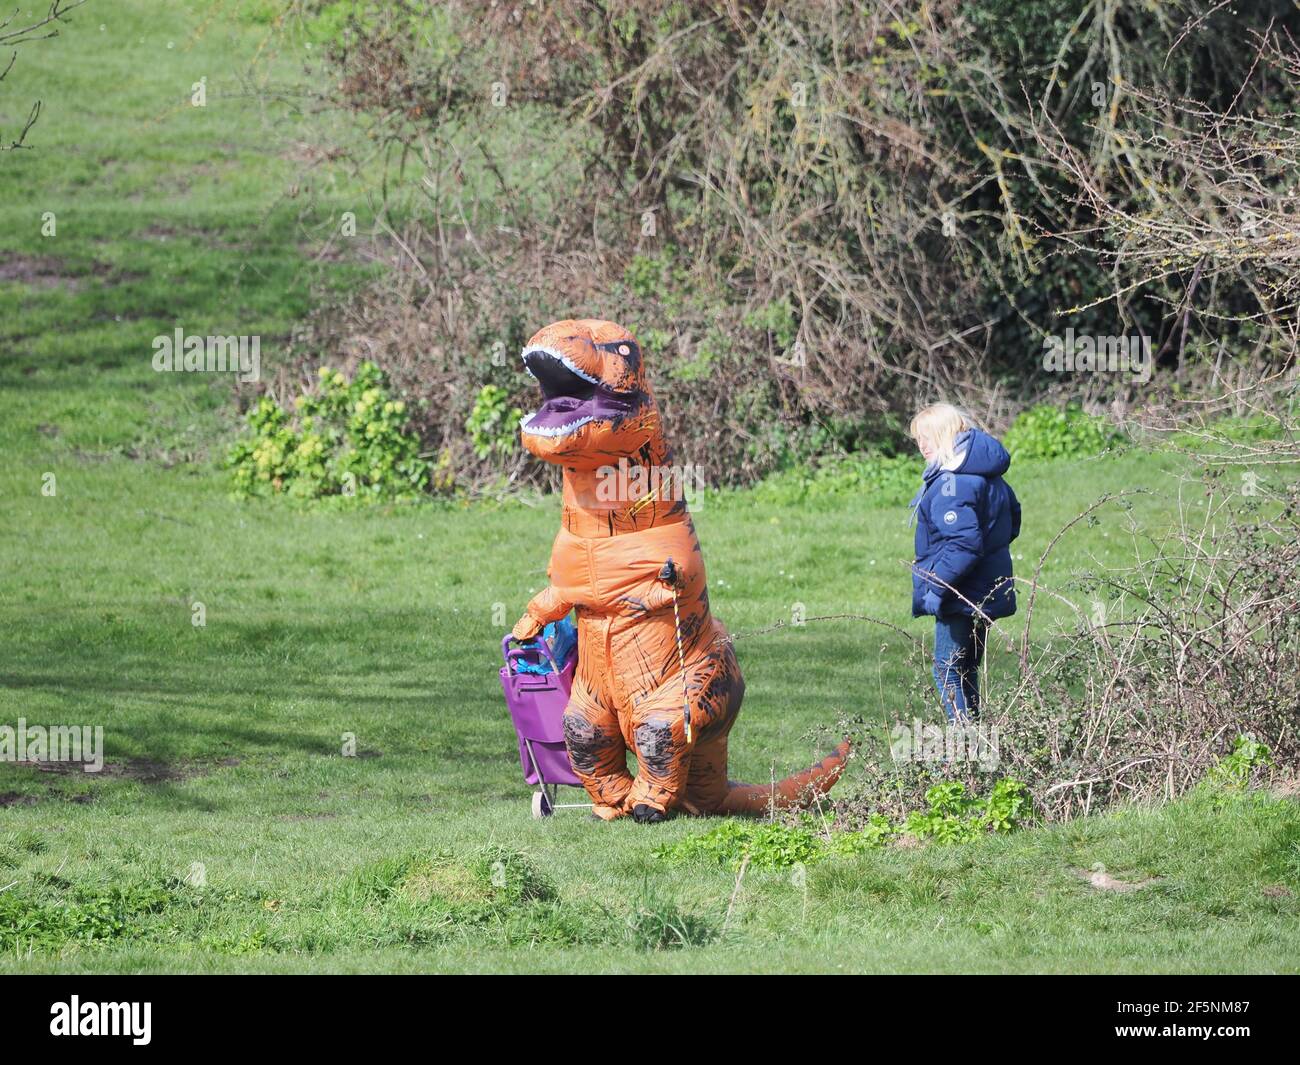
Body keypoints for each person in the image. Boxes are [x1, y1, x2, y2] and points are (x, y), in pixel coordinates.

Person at [908, 404, 1020, 722]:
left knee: (947, 668)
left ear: (946, 435)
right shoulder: (988, 474)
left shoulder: (951, 483)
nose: (922, 446)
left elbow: (964, 544)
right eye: (919, 439)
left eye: (927, 437)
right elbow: (1013, 521)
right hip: (986, 591)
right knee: (967, 667)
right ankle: (975, 744)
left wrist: (935, 588)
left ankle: (964, 750)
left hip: (960, 594)